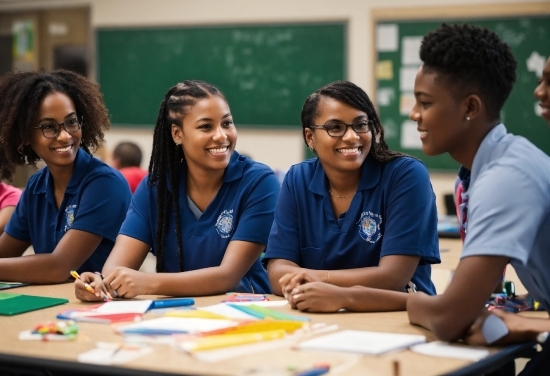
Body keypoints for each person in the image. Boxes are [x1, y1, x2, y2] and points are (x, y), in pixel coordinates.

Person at [403, 23, 550, 365]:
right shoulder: (489, 166)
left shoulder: (507, 176)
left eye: (424, 103)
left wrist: (411, 302)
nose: (413, 115)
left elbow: (448, 319)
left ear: (470, 107)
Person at [75, 80, 280, 301]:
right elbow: (116, 268)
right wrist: (101, 283)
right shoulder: (156, 188)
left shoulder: (259, 182)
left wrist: (146, 282)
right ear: (177, 134)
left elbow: (227, 277)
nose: (221, 135)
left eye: (227, 123)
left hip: (247, 316)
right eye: (206, 126)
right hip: (176, 316)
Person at [263, 80, 440, 312]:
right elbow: (277, 273)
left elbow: (393, 278)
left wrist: (317, 281)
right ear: (309, 137)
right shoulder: (298, 179)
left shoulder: (405, 175)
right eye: (335, 127)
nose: (351, 137)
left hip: (398, 318)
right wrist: (317, 285)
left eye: (360, 125)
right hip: (319, 319)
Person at [0, 69, 132, 283]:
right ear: (24, 135)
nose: (65, 135)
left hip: (100, 308)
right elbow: (5, 251)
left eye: (71, 122)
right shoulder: (36, 186)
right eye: (48, 127)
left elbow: (59, 267)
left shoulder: (105, 183)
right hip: (52, 306)